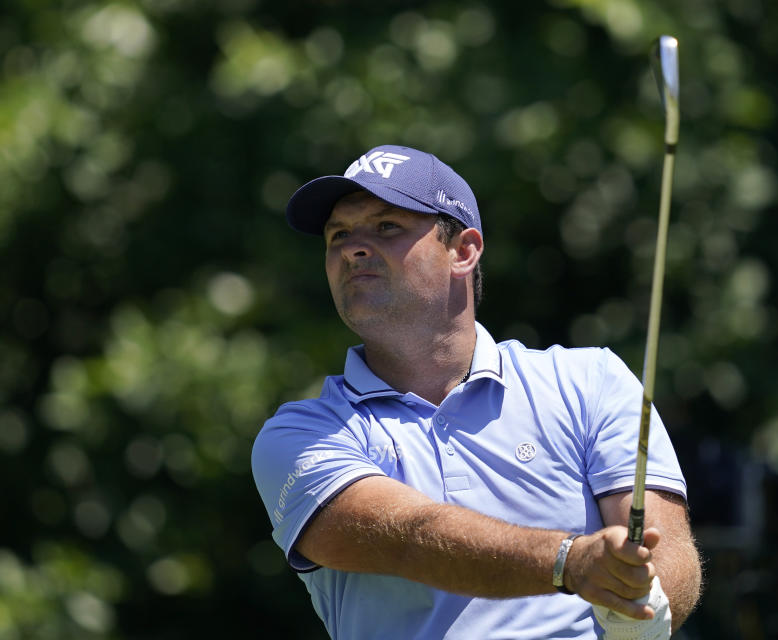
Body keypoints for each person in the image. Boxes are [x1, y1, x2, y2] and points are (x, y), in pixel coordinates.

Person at [251, 144, 702, 639]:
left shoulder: (590, 381)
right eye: (339, 235)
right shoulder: (299, 435)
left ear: (463, 251)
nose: (352, 248)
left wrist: (643, 597)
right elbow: (410, 538)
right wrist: (569, 563)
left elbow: (670, 550)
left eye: (386, 227)